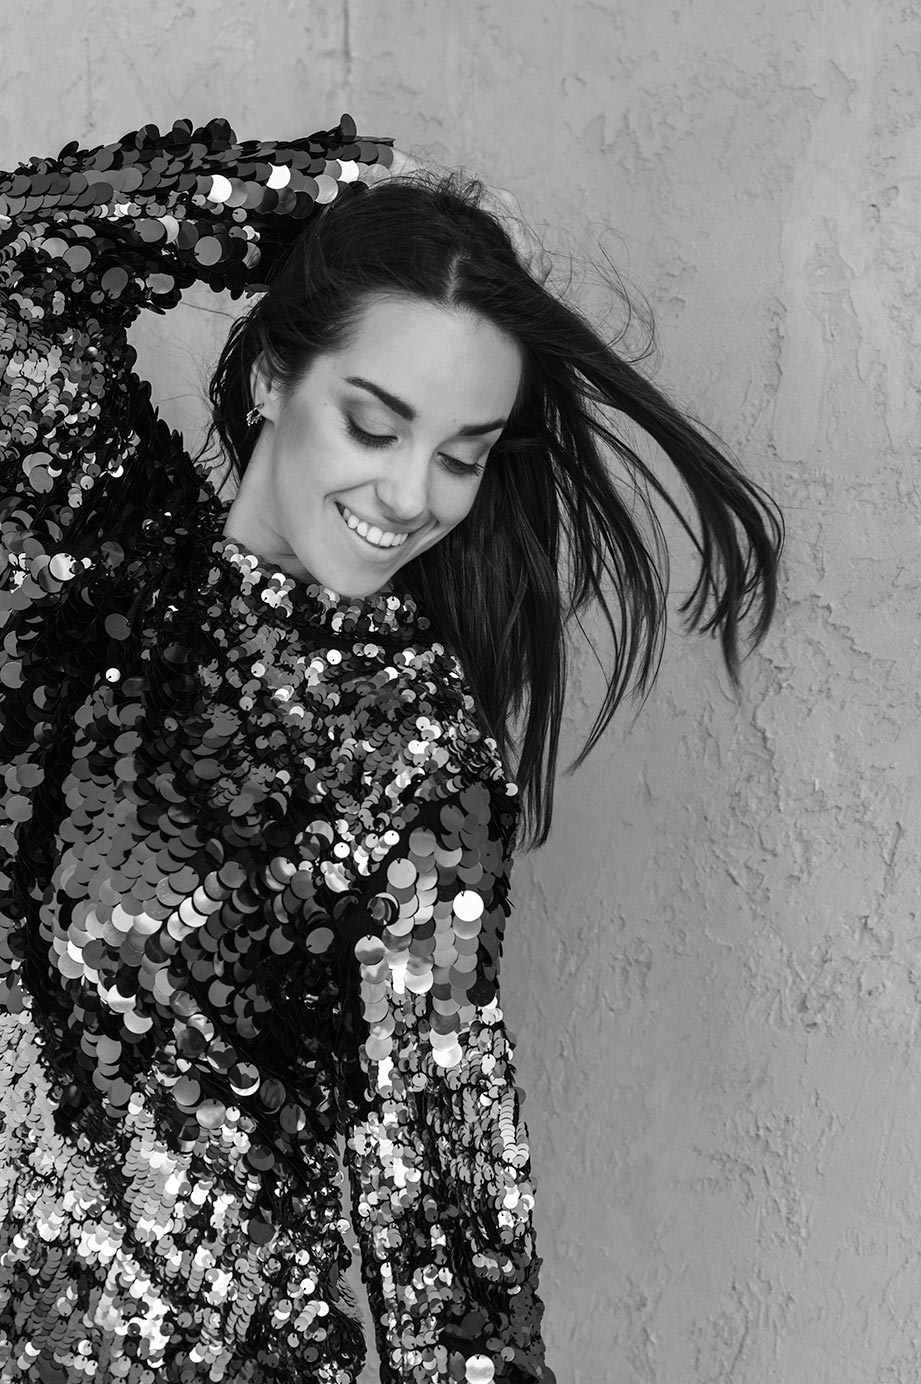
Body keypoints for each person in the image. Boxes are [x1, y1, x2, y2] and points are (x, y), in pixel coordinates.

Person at [0, 111, 783, 1384]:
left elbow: (447, 1219)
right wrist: (346, 186)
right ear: (274, 379)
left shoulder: (411, 759)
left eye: (461, 456)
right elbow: (20, 258)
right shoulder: (101, 536)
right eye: (375, 425)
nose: (414, 496)